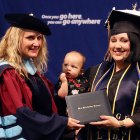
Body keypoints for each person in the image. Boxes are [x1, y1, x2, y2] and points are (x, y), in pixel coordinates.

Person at [0, 13, 85, 140]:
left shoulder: (32, 72)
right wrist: (62, 123)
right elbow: (22, 114)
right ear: (15, 40)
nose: (37, 43)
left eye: (39, 38)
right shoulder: (9, 72)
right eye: (30, 38)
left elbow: (46, 105)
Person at [78, 8, 140, 140]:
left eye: (124, 40)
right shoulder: (96, 71)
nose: (117, 46)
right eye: (113, 40)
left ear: (134, 43)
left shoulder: (139, 74)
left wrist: (120, 124)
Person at [54, 51, 89, 140]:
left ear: (81, 71)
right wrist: (64, 82)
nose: (68, 68)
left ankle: (79, 132)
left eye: (73, 66)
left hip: (82, 110)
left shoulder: (84, 80)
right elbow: (62, 95)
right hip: (67, 113)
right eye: (66, 65)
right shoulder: (63, 80)